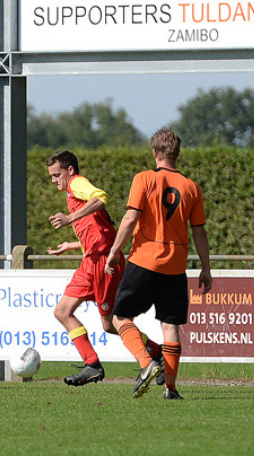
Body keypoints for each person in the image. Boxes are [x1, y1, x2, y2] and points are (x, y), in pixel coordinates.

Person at [105, 129, 213, 400]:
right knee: (170, 326)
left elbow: (130, 218)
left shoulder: (144, 178)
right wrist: (206, 267)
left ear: (154, 153)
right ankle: (171, 388)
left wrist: (115, 250)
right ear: (177, 154)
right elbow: (199, 231)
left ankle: (146, 363)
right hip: (175, 266)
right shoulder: (192, 187)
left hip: (143, 259)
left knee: (119, 318)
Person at [46, 150, 162, 386]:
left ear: (70, 170)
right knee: (62, 312)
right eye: (51, 176)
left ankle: (154, 354)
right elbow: (100, 229)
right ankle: (92, 364)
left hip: (102, 261)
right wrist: (71, 244)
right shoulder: (72, 192)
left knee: (111, 324)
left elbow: (101, 197)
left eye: (57, 174)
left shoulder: (77, 183)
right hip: (91, 260)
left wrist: (69, 219)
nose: (53, 180)